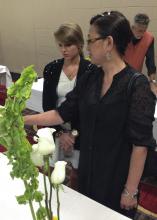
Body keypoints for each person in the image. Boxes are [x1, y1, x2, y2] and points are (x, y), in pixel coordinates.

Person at [24, 11, 156, 218]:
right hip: (87, 169)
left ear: (108, 43)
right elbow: (62, 113)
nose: (87, 47)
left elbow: (141, 146)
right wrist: (21, 118)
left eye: (90, 40)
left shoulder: (136, 85)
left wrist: (130, 191)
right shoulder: (91, 76)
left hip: (116, 176)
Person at [42, 23, 92, 169]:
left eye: (68, 45)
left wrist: (73, 134)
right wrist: (60, 134)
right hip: (58, 129)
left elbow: (89, 110)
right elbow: (48, 105)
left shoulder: (90, 70)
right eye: (60, 45)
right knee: (54, 172)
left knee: (78, 174)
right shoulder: (51, 68)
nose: (63, 50)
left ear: (80, 44)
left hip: (81, 132)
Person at [124, 13, 157, 95]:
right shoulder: (124, 35)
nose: (141, 34)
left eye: (144, 31)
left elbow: (150, 63)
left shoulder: (149, 39)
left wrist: (153, 82)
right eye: (139, 30)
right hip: (120, 77)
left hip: (135, 78)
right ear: (133, 27)